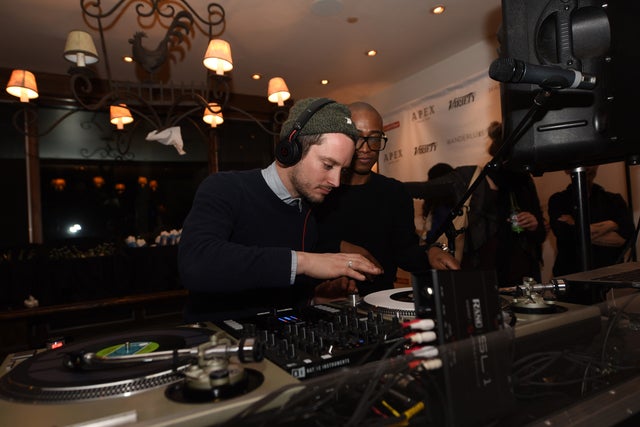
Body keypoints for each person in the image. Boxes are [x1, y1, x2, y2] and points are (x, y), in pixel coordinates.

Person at [178, 98, 383, 322]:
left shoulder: (311, 212)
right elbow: (197, 264)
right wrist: (305, 262)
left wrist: (315, 300)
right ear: (291, 150)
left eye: (341, 170)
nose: (335, 181)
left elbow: (284, 292)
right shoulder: (225, 188)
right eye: (327, 165)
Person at [314, 102, 460, 297]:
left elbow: (405, 251)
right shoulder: (320, 189)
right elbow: (302, 244)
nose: (366, 148)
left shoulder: (394, 192)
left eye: (374, 138)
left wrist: (430, 253)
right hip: (326, 302)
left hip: (381, 301)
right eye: (357, 138)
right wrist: (339, 247)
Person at [405, 121, 547, 287]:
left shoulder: (525, 183)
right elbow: (424, 189)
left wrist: (534, 224)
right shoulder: (471, 177)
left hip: (522, 278)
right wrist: (381, 185)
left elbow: (541, 235)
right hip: (480, 277)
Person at [548, 165, 634, 304]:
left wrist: (575, 225)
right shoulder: (558, 200)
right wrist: (612, 224)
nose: (587, 168)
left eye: (591, 163)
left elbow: (624, 238)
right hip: (570, 286)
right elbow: (565, 234)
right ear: (566, 169)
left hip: (609, 285)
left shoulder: (614, 200)